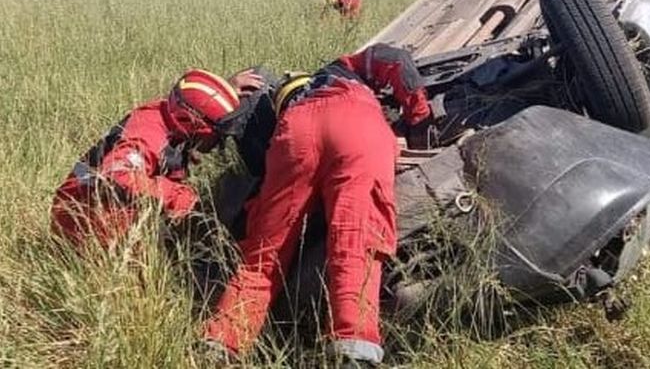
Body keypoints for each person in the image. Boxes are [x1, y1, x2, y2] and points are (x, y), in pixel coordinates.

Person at [202, 43, 433, 367]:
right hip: (356, 121)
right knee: (355, 242)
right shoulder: (342, 69)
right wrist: (419, 120)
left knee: (262, 258)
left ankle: (221, 345)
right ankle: (353, 349)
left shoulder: (288, 112)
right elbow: (394, 59)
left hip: (294, 136)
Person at [50, 68, 261, 247]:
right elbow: (117, 176)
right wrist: (177, 196)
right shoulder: (148, 136)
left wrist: (225, 92)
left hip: (86, 203)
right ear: (196, 124)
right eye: (218, 131)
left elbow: (198, 100)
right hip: (81, 219)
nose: (219, 140)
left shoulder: (171, 113)